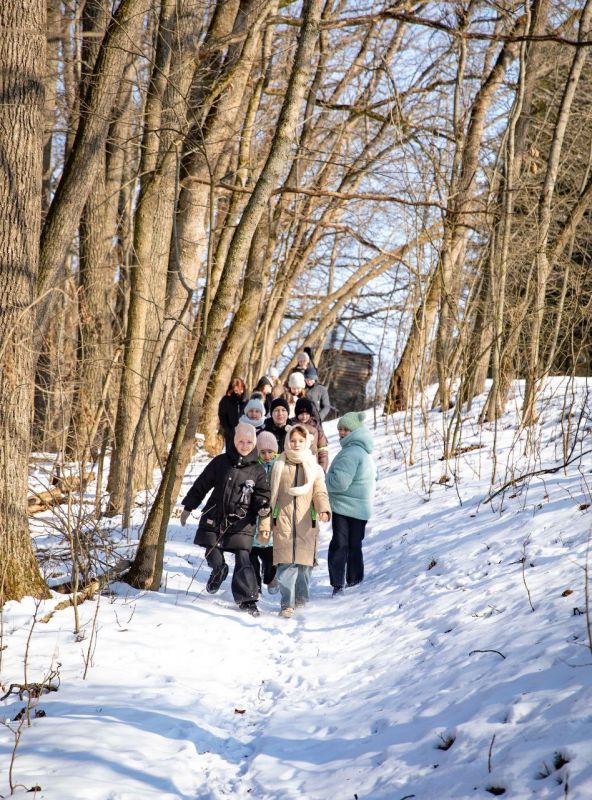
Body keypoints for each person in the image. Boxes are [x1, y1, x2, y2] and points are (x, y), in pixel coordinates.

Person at [180, 422, 270, 617]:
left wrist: (263, 507)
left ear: (254, 444)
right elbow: (202, 484)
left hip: (242, 521)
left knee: (243, 558)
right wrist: (189, 506)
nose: (245, 445)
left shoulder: (258, 470)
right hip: (215, 515)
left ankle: (248, 599)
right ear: (234, 441)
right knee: (211, 550)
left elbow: (262, 494)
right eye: (241, 441)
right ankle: (218, 570)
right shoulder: (220, 462)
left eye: (249, 442)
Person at [260, 424, 331, 618]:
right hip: (283, 522)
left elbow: (319, 491)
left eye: (300, 441)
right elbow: (269, 499)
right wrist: (266, 524)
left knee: (304, 568)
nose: (296, 444)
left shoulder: (314, 468)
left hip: (306, 523)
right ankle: (287, 604)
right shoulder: (278, 466)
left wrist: (324, 509)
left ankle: (301, 600)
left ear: (307, 441)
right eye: (293, 441)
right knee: (285, 567)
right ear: (287, 442)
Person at [325, 411, 376, 596]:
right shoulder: (363, 451)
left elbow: (339, 483)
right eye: (340, 429)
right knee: (355, 545)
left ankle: (338, 583)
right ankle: (355, 580)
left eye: (347, 429)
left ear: (355, 431)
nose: (342, 433)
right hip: (361, 508)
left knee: (339, 544)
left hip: (344, 507)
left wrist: (324, 479)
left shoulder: (350, 453)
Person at [249, 431, 279, 596]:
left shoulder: (280, 467)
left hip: (273, 516)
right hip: (254, 516)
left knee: (270, 557)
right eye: (263, 452)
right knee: (252, 555)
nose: (267, 455)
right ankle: (255, 587)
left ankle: (269, 577)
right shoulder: (253, 467)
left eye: (270, 452)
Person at [292, 396, 329, 472]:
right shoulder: (292, 426)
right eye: (301, 414)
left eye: (307, 413)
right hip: (295, 466)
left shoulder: (316, 426)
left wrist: (322, 468)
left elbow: (322, 449)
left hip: (313, 466)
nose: (304, 416)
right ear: (296, 413)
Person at [218, 377, 247, 452]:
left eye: (240, 390)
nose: (238, 392)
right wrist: (228, 430)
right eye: (235, 391)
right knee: (231, 454)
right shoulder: (226, 400)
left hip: (244, 434)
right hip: (230, 434)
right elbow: (222, 416)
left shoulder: (246, 401)